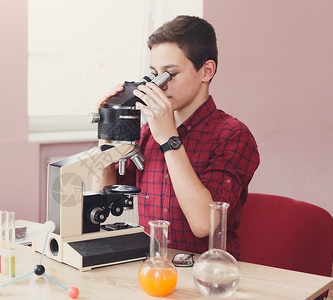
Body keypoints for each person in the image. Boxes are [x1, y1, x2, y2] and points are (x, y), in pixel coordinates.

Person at [96, 15, 259, 259]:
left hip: (209, 274)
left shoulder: (233, 135)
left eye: (169, 74)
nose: (158, 86)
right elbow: (105, 202)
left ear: (206, 71)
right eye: (153, 74)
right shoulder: (147, 133)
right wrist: (108, 138)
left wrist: (169, 138)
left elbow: (204, 223)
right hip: (155, 269)